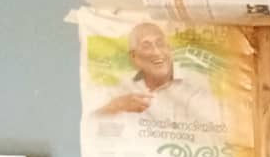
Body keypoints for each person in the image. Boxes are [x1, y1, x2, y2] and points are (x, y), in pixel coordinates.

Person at [95, 22, 224, 126]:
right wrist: (116, 106)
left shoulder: (197, 83)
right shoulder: (122, 86)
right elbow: (92, 125)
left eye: (160, 44)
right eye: (147, 46)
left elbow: (215, 129)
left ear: (169, 49)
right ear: (134, 56)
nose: (157, 52)